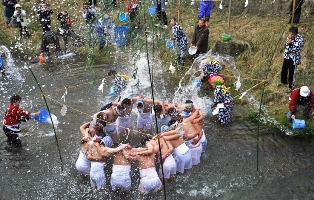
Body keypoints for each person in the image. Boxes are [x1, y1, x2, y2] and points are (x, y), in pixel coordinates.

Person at [278, 26, 304, 93]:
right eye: (289, 33)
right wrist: (290, 45)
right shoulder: (289, 37)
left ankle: (290, 86)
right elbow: (287, 46)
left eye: (292, 34)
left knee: (292, 72)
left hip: (294, 58)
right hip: (287, 56)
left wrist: (290, 44)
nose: (290, 35)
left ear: (295, 34)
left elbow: (296, 49)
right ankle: (283, 81)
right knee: (284, 69)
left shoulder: (300, 39)